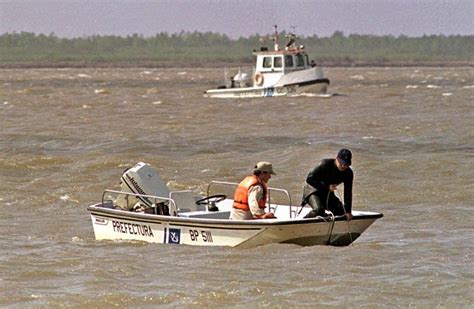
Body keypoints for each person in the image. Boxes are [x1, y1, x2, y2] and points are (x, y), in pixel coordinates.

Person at [302, 149, 354, 220]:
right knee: (318, 209)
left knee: (342, 211)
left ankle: (325, 217)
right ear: (336, 159)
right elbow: (309, 179)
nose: (343, 166)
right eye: (341, 163)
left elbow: (348, 192)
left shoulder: (348, 173)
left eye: (346, 164)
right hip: (312, 190)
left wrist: (348, 211)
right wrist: (326, 187)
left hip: (327, 192)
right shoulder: (324, 164)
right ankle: (304, 220)